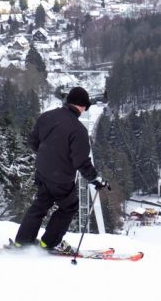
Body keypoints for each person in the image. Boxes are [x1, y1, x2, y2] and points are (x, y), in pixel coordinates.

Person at [13, 86, 109, 253]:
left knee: (40, 205)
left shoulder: (47, 116)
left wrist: (47, 156)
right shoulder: (78, 130)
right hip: (61, 177)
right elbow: (81, 162)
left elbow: (32, 141)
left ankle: (22, 242)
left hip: (42, 171)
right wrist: (95, 179)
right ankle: (48, 243)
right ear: (82, 106)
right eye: (86, 106)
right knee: (69, 207)